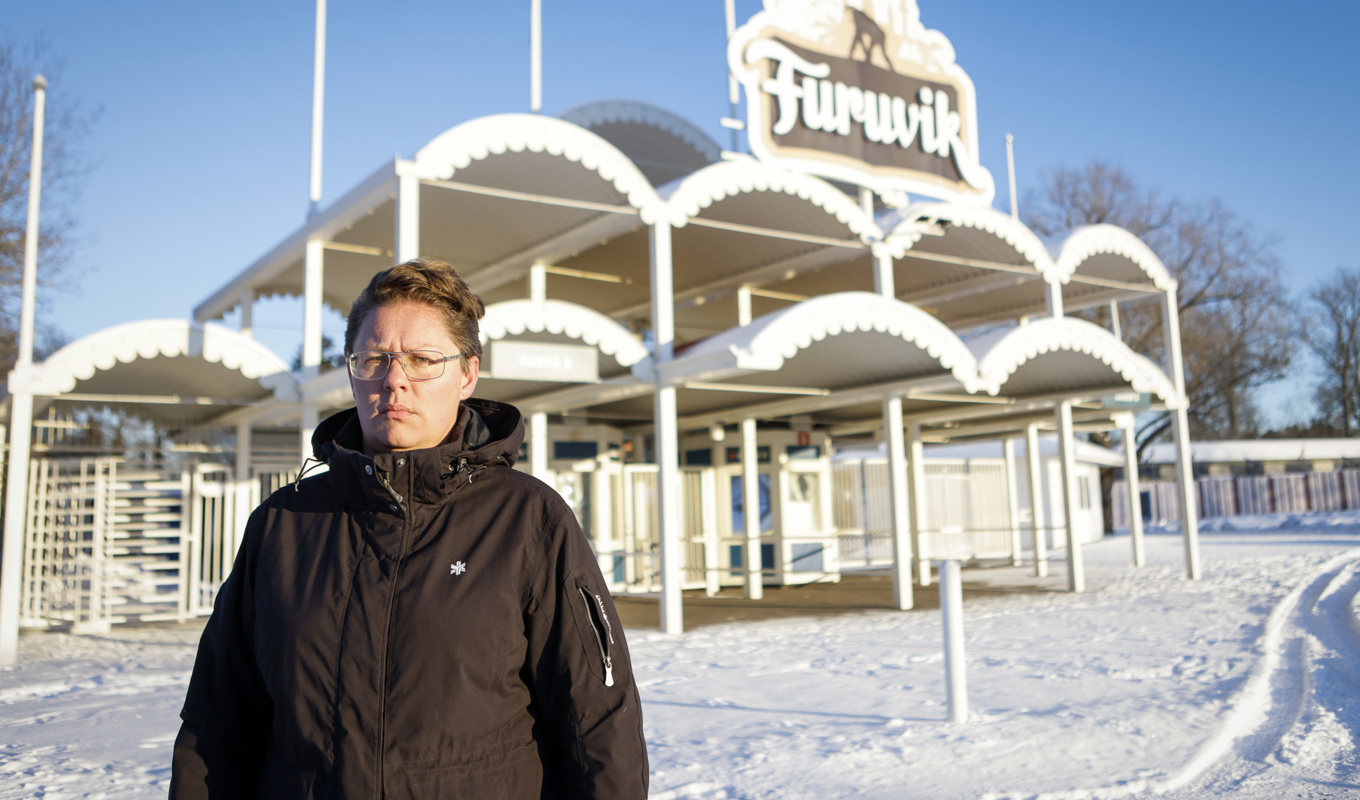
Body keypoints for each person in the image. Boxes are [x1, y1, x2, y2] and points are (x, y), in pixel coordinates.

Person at [170, 258, 649, 799]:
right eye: (374, 358)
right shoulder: (283, 525)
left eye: (423, 360)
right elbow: (217, 723)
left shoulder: (528, 522)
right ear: (352, 370)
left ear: (467, 374)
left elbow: (597, 721)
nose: (395, 380)